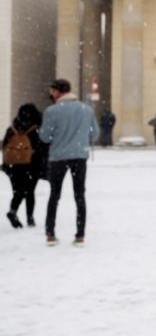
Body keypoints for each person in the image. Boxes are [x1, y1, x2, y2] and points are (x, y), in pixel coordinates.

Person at [39, 79, 98, 247]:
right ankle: (80, 236)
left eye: (52, 91)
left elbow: (45, 137)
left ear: (57, 92)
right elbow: (95, 133)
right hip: (79, 156)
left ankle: (50, 234)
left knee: (54, 195)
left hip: (58, 157)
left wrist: (58, 138)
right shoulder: (86, 110)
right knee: (79, 195)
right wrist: (81, 139)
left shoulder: (51, 111)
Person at [2, 103, 48, 229]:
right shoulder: (36, 129)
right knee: (30, 192)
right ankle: (30, 218)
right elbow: (42, 148)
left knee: (18, 191)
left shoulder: (12, 129)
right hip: (31, 165)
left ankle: (13, 210)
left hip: (13, 165)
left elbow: (5, 146)